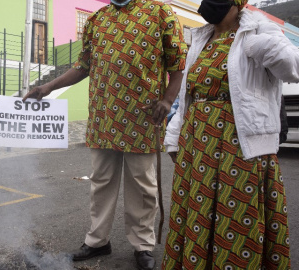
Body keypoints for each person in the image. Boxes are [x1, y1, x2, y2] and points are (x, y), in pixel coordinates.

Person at [23, 0, 187, 269]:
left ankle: (143, 245)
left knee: (142, 185)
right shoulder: (97, 20)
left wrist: (168, 100)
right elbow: (83, 66)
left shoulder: (160, 13)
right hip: (103, 116)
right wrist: (48, 87)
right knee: (101, 181)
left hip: (143, 116)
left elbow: (178, 64)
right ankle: (98, 241)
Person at [162, 0, 299, 268]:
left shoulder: (259, 30)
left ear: (238, 3)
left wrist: (261, 47)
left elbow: (293, 67)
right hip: (197, 143)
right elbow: (189, 95)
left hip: (240, 145)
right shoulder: (202, 38)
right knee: (199, 212)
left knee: (236, 214)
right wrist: (174, 136)